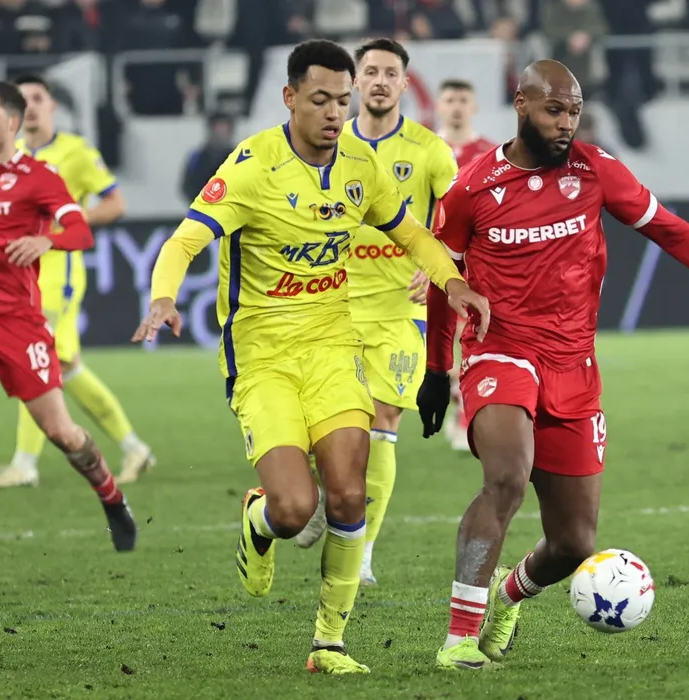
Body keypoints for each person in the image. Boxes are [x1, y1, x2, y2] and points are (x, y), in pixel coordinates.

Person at [416, 60, 689, 670]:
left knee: (573, 543)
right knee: (507, 477)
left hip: (574, 366)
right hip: (501, 351)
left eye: (573, 111)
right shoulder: (472, 189)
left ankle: (507, 596)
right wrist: (438, 371)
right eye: (553, 110)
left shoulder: (595, 170)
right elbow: (445, 285)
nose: (565, 123)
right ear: (521, 105)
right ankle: (459, 638)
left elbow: (671, 231)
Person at [131, 40, 489, 675]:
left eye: (342, 101)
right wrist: (163, 296)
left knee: (349, 496)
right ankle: (259, 521)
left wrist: (452, 282)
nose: (334, 113)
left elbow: (410, 231)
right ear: (290, 97)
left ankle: (329, 643)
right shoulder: (252, 166)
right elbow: (185, 240)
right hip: (263, 356)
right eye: (320, 99)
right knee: (296, 509)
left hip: (332, 346)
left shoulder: (360, 164)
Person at [293, 38, 460, 587]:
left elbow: (463, 219)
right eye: (371, 72)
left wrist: (440, 259)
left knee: (384, 421)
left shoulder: (431, 151)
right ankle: (326, 496)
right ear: (355, 82)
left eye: (391, 72)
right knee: (327, 424)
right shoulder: (327, 144)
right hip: (331, 304)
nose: (381, 81)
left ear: (405, 84)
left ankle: (361, 549)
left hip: (399, 311)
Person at [0, 81, 137, 552]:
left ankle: (112, 497)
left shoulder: (39, 177)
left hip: (17, 321)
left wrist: (47, 240)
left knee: (61, 431)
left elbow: (81, 232)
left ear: (10, 122)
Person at [433, 78, 496, 451]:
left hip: (474, 260)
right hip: (430, 259)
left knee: (469, 336)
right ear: (439, 106)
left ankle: (463, 414)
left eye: (463, 99)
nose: (456, 106)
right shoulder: (425, 150)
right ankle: (455, 402)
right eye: (450, 99)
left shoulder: (489, 153)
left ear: (473, 107)